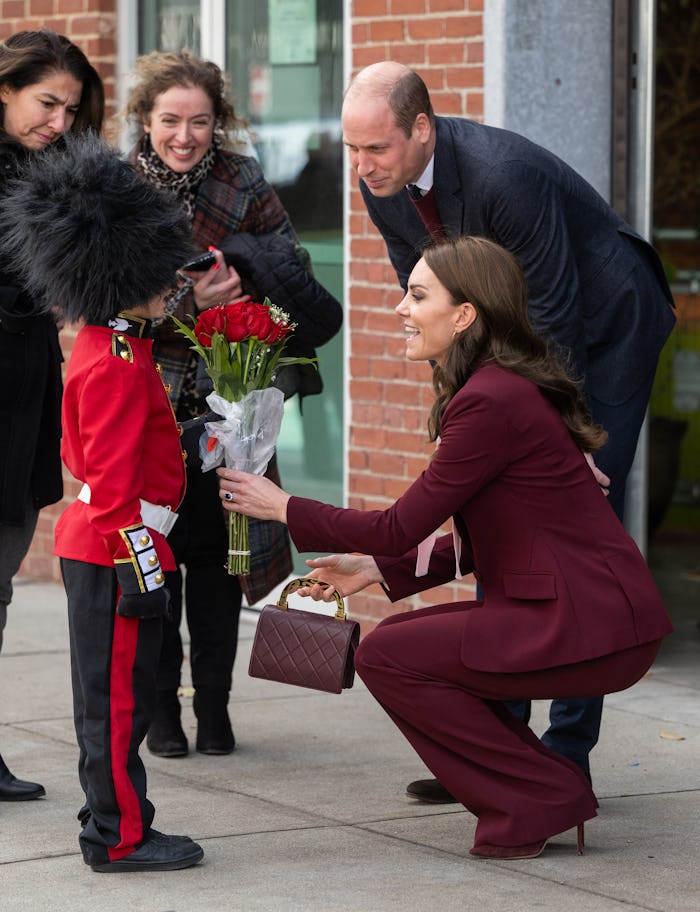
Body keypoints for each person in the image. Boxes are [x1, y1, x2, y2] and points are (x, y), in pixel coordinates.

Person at [217, 235, 673, 859]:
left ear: (464, 315)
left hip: (587, 621)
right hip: (590, 614)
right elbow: (479, 537)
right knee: (400, 652)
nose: (402, 308)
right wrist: (376, 571)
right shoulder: (499, 389)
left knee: (390, 656)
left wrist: (283, 506)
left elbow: (399, 526)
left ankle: (539, 792)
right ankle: (540, 788)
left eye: (418, 294)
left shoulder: (490, 399)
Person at [340, 60, 677, 796]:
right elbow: (430, 310)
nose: (363, 168)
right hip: (533, 335)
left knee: (574, 521)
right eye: (352, 151)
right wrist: (463, 421)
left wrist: (561, 441)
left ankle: (565, 754)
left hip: (606, 324)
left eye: (378, 150)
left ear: (422, 129)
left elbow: (550, 316)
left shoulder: (502, 175)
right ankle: (504, 748)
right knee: (494, 513)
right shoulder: (386, 189)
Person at [122, 49, 342, 759]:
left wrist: (243, 282)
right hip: (149, 410)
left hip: (231, 403)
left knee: (221, 562)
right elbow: (97, 308)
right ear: (144, 120)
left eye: (200, 121)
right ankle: (162, 714)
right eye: (169, 121)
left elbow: (291, 265)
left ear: (218, 121)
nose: (184, 136)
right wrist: (190, 301)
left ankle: (214, 710)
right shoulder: (117, 189)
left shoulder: (240, 177)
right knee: (154, 565)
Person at [0, 132, 207, 872]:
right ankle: (117, 836)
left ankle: (115, 815)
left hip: (109, 542)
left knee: (115, 699)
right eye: (163, 279)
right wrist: (141, 567)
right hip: (116, 547)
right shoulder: (118, 360)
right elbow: (116, 487)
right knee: (118, 705)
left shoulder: (116, 346)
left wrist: (190, 440)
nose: (172, 288)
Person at [0, 28, 104, 802]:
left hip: (22, 400)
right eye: (45, 103)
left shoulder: (49, 177)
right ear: (3, 88)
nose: (58, 122)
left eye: (70, 109)